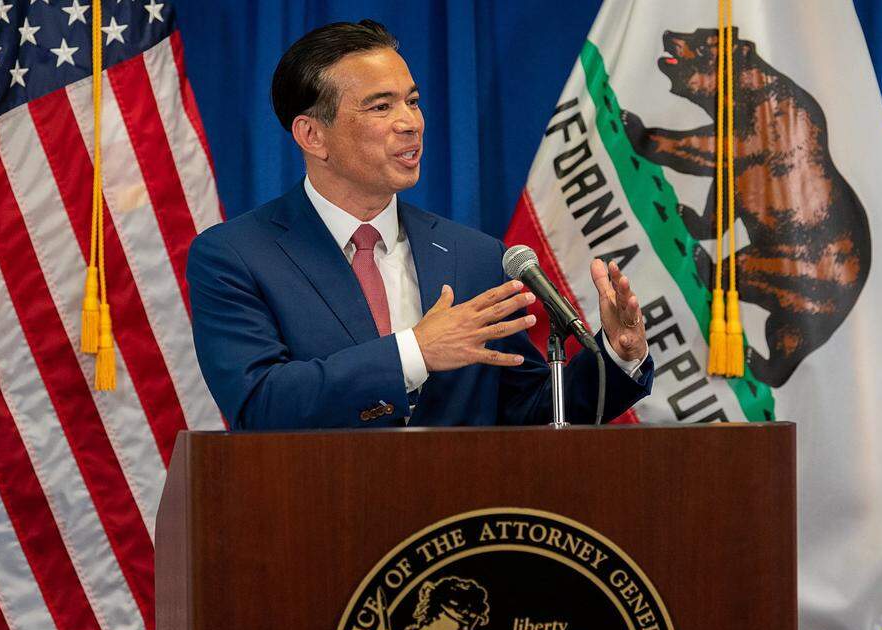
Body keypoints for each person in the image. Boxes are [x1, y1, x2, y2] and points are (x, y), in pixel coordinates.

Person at [186, 19, 653, 430]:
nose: (410, 123)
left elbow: (528, 412)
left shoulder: (476, 257)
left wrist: (618, 352)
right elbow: (260, 405)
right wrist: (415, 353)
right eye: (380, 107)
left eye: (412, 101)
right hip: (320, 519)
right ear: (312, 135)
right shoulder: (236, 256)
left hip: (459, 524)